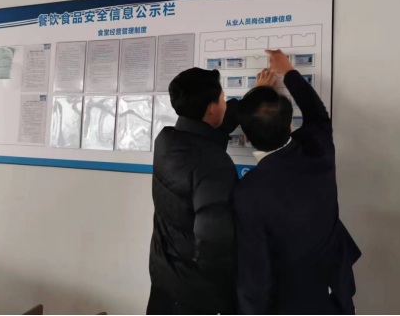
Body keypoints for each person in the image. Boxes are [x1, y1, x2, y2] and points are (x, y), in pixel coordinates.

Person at [235, 49, 361, 315]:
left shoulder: (249, 191)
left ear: (246, 139)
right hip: (336, 294)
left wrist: (258, 97)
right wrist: (287, 71)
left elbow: (256, 271)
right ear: (290, 126)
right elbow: (318, 114)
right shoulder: (318, 149)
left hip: (291, 304)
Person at [147, 67, 241, 315]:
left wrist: (256, 96)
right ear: (212, 108)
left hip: (164, 279)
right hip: (195, 296)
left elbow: (209, 131)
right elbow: (213, 244)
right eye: (222, 98)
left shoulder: (166, 141)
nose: (225, 103)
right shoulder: (213, 163)